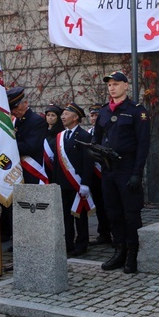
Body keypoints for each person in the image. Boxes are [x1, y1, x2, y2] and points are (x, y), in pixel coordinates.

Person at [92, 71, 150, 274]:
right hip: (109, 170)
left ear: (126, 86)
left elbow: (143, 145)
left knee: (131, 213)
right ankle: (119, 251)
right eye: (109, 85)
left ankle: (133, 254)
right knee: (113, 213)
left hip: (128, 168)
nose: (112, 88)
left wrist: (137, 173)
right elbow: (96, 139)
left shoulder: (137, 111)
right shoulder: (104, 111)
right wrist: (96, 154)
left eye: (116, 84)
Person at [52, 102, 94, 256]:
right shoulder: (60, 136)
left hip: (77, 184)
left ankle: (82, 244)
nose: (62, 117)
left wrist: (85, 183)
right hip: (63, 183)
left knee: (80, 216)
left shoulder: (84, 136)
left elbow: (88, 162)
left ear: (75, 117)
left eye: (66, 114)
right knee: (66, 216)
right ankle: (68, 243)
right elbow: (57, 163)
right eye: (62, 114)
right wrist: (54, 182)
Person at [8, 87, 48, 185]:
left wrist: (7, 146)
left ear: (25, 103)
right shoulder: (16, 121)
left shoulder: (36, 121)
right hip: (18, 171)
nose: (14, 111)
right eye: (11, 108)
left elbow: (30, 147)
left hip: (32, 170)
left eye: (16, 107)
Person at [87, 103, 111, 246]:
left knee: (110, 206)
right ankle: (103, 233)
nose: (94, 118)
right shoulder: (88, 133)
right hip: (94, 176)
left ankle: (115, 233)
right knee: (99, 206)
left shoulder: (106, 132)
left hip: (106, 172)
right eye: (92, 115)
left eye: (97, 115)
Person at [43, 103, 65, 181]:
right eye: (48, 115)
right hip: (43, 168)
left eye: (53, 115)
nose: (50, 118)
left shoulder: (61, 134)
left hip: (56, 169)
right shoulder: (42, 132)